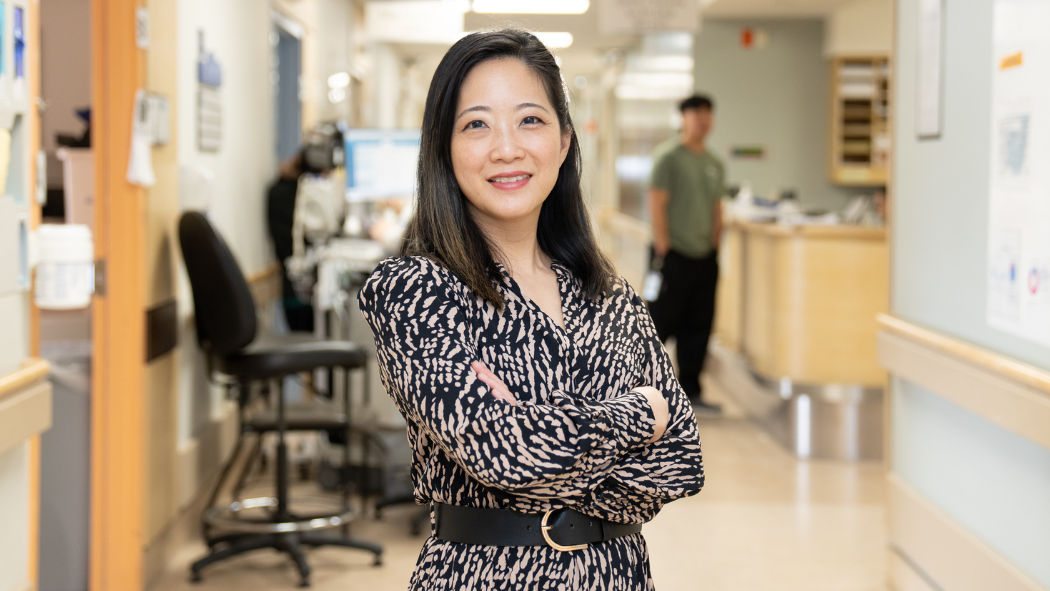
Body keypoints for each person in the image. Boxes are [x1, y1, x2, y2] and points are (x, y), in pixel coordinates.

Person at [358, 30, 704, 590]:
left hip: (617, 576)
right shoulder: (416, 291)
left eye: (530, 120)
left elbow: (680, 459)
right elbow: (504, 454)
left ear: (565, 141)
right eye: (476, 124)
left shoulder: (609, 295)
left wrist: (537, 431)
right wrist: (639, 413)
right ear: (443, 146)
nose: (506, 149)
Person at [648, 94, 725, 416]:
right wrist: (664, 247)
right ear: (683, 118)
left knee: (699, 326)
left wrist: (715, 245)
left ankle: (691, 391)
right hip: (673, 255)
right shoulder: (668, 157)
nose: (702, 120)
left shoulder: (714, 162)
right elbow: (657, 203)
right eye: (695, 113)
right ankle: (644, 390)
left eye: (707, 113)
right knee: (658, 323)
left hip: (705, 257)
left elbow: (717, 208)